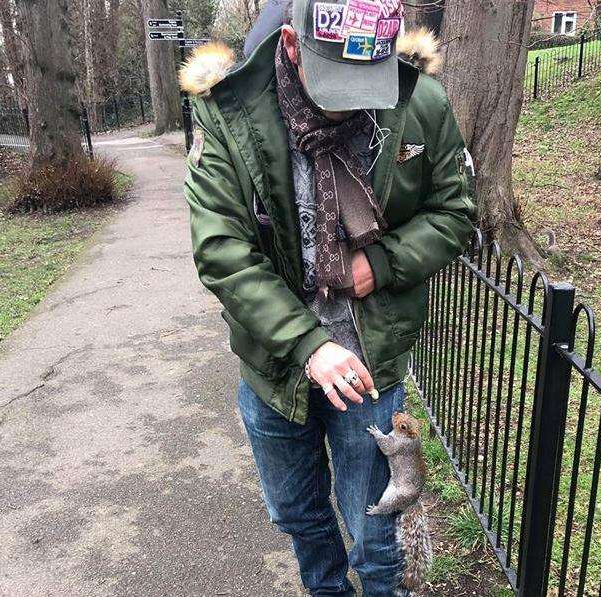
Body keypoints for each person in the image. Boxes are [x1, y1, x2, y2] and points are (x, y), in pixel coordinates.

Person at [181, 0, 476, 592]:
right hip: (276, 365)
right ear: (291, 45)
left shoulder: (419, 102)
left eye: (365, 82)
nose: (352, 101)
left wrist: (382, 262)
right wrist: (309, 346)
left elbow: (454, 212)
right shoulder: (229, 116)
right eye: (336, 81)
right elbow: (223, 251)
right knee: (298, 517)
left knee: (375, 533)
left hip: (371, 364)